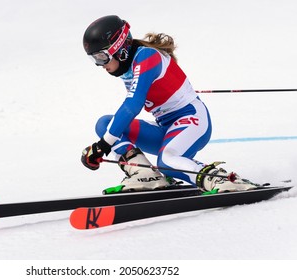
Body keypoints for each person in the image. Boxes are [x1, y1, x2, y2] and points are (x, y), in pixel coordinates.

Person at [80, 15, 256, 193]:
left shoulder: (147, 57)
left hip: (191, 119)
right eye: (94, 59)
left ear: (121, 49)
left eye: (102, 56)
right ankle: (145, 174)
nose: (99, 64)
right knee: (105, 124)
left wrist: (103, 145)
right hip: (166, 127)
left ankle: (221, 180)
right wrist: (106, 141)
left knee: (166, 162)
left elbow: (133, 104)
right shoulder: (128, 66)